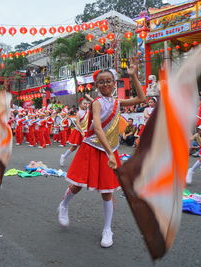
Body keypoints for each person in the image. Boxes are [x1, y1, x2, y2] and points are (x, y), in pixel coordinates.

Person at [57, 62, 146, 248]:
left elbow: (141, 98)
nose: (105, 85)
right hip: (92, 148)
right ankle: (63, 205)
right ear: (96, 86)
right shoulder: (96, 103)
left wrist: (133, 76)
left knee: (107, 192)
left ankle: (107, 229)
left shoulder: (117, 102)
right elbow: (97, 128)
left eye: (109, 82)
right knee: (77, 186)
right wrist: (110, 153)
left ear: (114, 83)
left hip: (109, 150)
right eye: (101, 82)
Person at [60, 98, 89, 166]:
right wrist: (82, 131)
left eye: (86, 103)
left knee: (86, 147)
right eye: (84, 103)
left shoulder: (88, 111)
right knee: (74, 147)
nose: (85, 105)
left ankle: (84, 161)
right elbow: (78, 124)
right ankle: (64, 156)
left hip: (87, 131)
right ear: (80, 104)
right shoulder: (79, 113)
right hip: (79, 131)